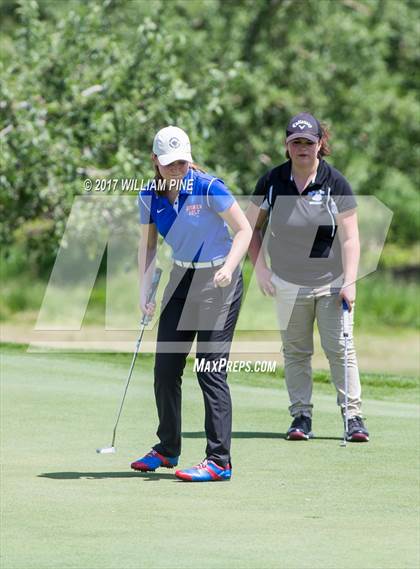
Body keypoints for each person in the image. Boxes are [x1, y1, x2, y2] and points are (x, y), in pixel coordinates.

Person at [131, 126, 252, 481]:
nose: (176, 169)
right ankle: (167, 449)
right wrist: (145, 290)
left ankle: (219, 461)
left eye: (182, 162)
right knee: (165, 369)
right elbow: (149, 246)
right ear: (155, 161)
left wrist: (230, 267)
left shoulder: (209, 187)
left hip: (219, 280)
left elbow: (243, 230)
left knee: (209, 370)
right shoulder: (148, 196)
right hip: (180, 279)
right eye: (168, 163)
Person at [247, 112, 369, 442]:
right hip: (287, 282)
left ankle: (353, 417)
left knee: (340, 350)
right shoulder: (271, 182)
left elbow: (350, 237)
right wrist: (260, 270)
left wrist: (350, 281)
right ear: (287, 146)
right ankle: (301, 416)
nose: (302, 148)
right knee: (296, 352)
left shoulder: (335, 182)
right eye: (296, 142)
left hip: (331, 282)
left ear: (320, 145)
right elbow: (251, 229)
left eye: (309, 142)